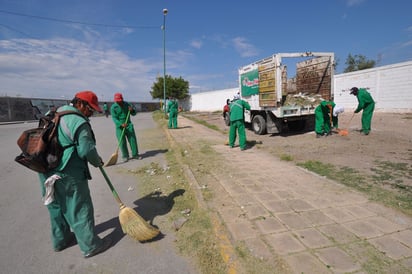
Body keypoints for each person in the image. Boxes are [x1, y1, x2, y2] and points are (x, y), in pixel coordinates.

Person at [38, 90, 111, 258]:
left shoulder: (53, 113)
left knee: (56, 206)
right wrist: (96, 161)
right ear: (79, 104)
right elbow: (86, 150)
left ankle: (61, 240)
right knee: (79, 207)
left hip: (45, 170)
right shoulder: (78, 121)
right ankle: (91, 246)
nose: (91, 113)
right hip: (67, 172)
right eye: (90, 109)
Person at [110, 92, 140, 161]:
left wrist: (132, 110)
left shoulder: (127, 104)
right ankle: (125, 156)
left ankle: (135, 155)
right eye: (117, 101)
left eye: (120, 101)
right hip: (119, 127)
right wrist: (120, 124)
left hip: (128, 125)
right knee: (122, 142)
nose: (119, 102)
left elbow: (134, 113)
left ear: (122, 99)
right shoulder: (113, 107)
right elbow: (114, 118)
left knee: (132, 140)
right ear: (115, 100)